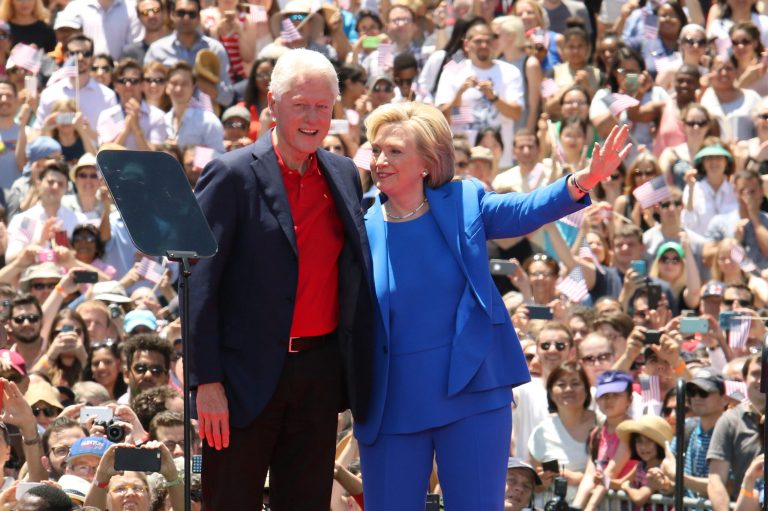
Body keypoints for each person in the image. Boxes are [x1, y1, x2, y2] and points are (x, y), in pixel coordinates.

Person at [354, 100, 630, 509]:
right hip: (391, 399)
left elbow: (523, 209)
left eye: (395, 151)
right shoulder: (359, 224)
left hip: (472, 390)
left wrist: (581, 180)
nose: (380, 160)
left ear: (428, 161)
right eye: (376, 149)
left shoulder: (464, 200)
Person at [188, 48, 374, 510]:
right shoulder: (229, 174)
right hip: (239, 380)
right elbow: (198, 284)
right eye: (300, 104)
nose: (312, 117)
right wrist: (206, 381)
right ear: (272, 104)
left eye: (323, 106)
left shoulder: (344, 173)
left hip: (318, 375)